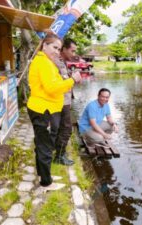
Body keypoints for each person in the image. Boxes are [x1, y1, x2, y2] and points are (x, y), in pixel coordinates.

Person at [27, 31, 81, 189]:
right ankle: (46, 182)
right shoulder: (43, 62)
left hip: (45, 108)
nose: (57, 51)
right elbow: (52, 88)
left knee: (41, 142)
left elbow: (54, 82)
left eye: (59, 49)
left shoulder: (46, 61)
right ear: (44, 46)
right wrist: (72, 80)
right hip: (44, 110)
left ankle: (42, 174)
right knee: (45, 146)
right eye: (54, 48)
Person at [53, 38, 78, 166]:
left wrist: (72, 79)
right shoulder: (55, 62)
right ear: (64, 49)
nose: (74, 54)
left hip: (66, 101)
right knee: (66, 129)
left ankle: (60, 152)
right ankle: (59, 156)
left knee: (62, 128)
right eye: (72, 51)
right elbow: (57, 84)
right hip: (61, 102)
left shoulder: (63, 62)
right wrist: (73, 79)